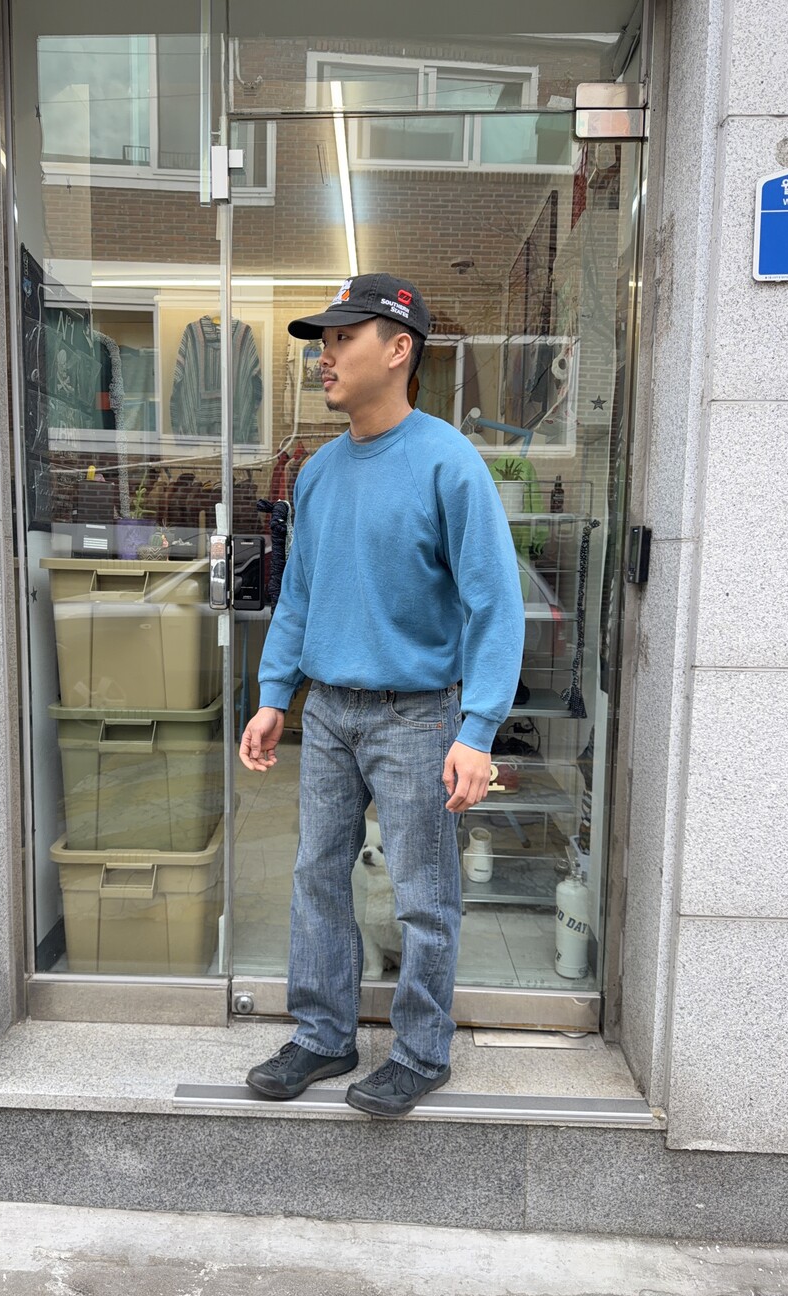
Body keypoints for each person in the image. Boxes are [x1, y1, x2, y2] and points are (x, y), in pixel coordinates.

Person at [239, 273, 524, 1118]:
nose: (324, 357)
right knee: (316, 875)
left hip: (418, 714)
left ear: (399, 349)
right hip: (329, 711)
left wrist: (478, 729)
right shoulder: (318, 473)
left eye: (342, 338)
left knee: (423, 893)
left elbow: (494, 603)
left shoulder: (448, 462)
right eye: (323, 341)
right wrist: (275, 694)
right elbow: (300, 594)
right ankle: (323, 1033)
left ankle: (421, 1050)